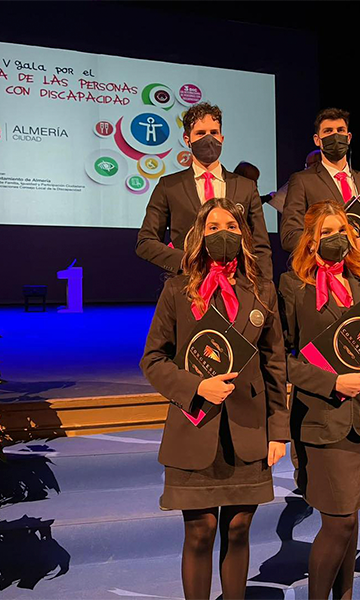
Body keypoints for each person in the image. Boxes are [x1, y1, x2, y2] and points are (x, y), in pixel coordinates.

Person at [140, 197, 289, 600]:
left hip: (248, 429)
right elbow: (152, 359)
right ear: (199, 237)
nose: (223, 234)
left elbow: (275, 364)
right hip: (195, 425)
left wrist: (279, 430)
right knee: (200, 531)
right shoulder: (177, 290)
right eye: (213, 227)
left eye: (231, 227)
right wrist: (196, 387)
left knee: (239, 530)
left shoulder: (263, 291)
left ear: (244, 236)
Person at [278, 200, 360, 600]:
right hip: (321, 419)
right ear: (310, 241)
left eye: (341, 231)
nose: (336, 238)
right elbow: (279, 359)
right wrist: (333, 382)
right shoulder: (293, 285)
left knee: (352, 518)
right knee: (339, 522)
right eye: (326, 232)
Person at [136, 102, 273, 279]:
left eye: (214, 133)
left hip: (236, 283)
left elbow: (260, 245)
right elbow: (146, 242)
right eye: (201, 133)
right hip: (187, 283)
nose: (209, 139)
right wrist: (186, 262)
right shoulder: (169, 186)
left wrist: (265, 286)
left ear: (222, 138)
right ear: (187, 139)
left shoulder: (245, 187)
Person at [280, 108, 360, 289]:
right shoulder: (303, 181)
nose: (335, 136)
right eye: (328, 131)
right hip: (323, 282)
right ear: (317, 140)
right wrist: (344, 245)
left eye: (340, 130)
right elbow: (290, 235)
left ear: (348, 137)